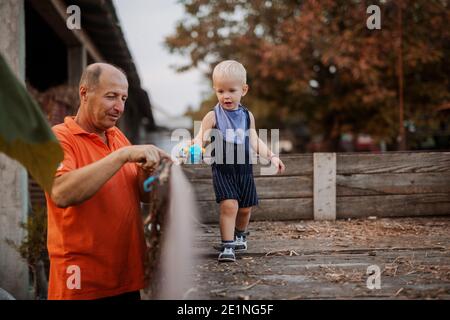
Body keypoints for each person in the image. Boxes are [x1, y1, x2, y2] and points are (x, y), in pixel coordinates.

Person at [45, 63, 169, 299]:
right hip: (83, 283)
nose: (119, 107)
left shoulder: (116, 135)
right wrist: (122, 156)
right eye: (111, 96)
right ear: (84, 93)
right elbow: (60, 193)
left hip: (126, 277)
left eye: (123, 98)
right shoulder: (59, 137)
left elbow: (142, 195)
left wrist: (148, 171)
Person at [193, 60, 285, 262]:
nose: (226, 96)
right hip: (223, 170)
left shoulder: (246, 116)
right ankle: (227, 246)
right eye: (220, 91)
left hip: (244, 169)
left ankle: (240, 235)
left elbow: (253, 139)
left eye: (231, 90)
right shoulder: (212, 116)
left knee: (245, 208)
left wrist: (272, 155)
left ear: (244, 90)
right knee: (230, 206)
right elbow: (201, 136)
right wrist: (196, 146)